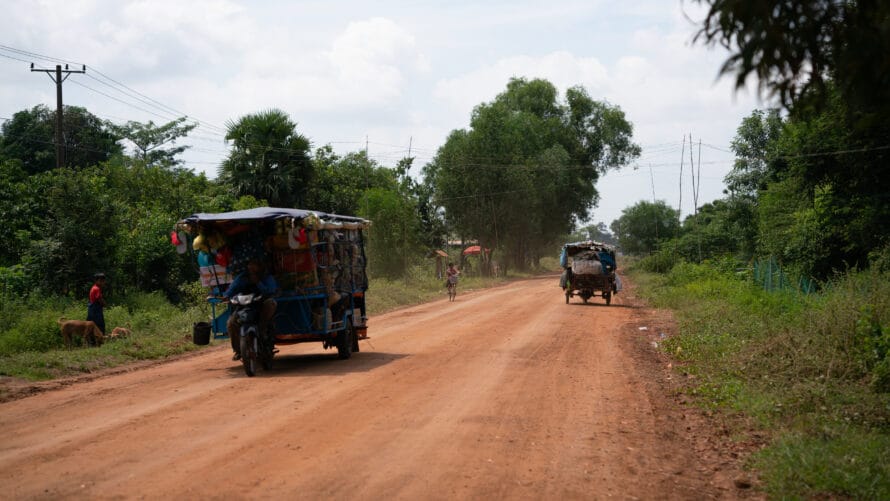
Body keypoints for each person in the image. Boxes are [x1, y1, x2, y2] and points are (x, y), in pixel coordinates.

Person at [224, 259, 278, 361]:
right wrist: (226, 296)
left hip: (260, 304)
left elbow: (271, 290)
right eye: (249, 265)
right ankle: (238, 350)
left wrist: (258, 283)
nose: (251, 267)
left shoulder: (266, 277)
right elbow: (232, 289)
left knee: (271, 303)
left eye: (254, 265)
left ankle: (262, 330)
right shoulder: (242, 277)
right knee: (231, 323)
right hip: (244, 305)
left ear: (260, 267)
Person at [87, 273, 107, 341]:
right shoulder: (96, 289)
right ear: (97, 281)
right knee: (100, 326)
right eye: (102, 281)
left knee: (91, 326)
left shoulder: (94, 287)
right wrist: (104, 304)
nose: (103, 282)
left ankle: (91, 342)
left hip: (92, 309)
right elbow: (99, 299)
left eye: (103, 281)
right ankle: (101, 341)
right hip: (95, 310)